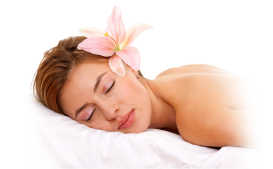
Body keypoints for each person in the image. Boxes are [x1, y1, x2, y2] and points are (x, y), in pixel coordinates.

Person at [33, 7, 249, 147]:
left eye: (108, 87)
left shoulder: (196, 120)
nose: (110, 112)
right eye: (89, 114)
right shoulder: (170, 77)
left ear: (129, 64)